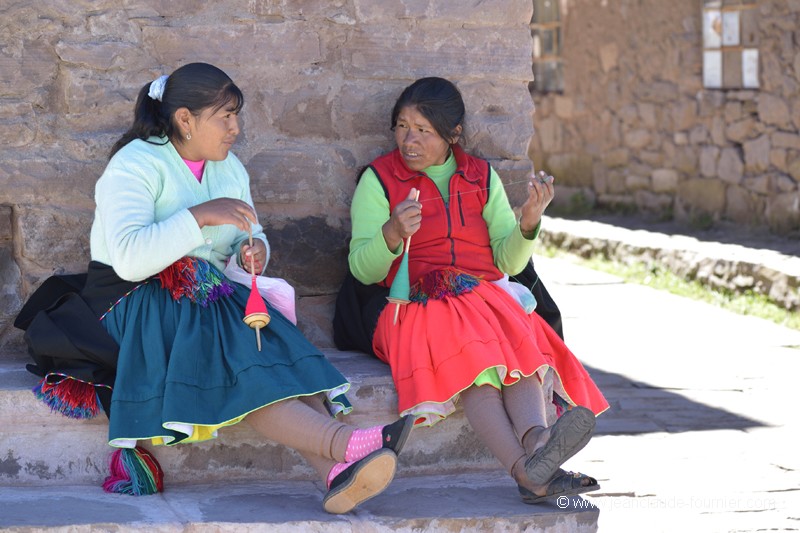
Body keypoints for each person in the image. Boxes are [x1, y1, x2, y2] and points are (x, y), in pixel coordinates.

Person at [13, 62, 413, 515]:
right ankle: (346, 443)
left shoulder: (229, 169)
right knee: (235, 356)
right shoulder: (135, 164)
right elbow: (128, 258)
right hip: (133, 299)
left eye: (235, 116)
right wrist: (201, 216)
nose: (235, 129)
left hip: (202, 294)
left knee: (268, 344)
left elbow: (249, 231)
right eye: (225, 117)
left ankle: (334, 474)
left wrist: (253, 249)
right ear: (185, 119)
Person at [332, 77, 609, 503]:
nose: (410, 139)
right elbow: (362, 270)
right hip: (412, 306)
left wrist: (529, 223)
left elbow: (507, 262)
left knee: (519, 346)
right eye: (402, 127)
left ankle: (538, 446)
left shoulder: (482, 176)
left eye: (423, 130)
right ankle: (528, 470)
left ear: (452, 135)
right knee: (477, 364)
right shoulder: (380, 180)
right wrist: (390, 232)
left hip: (481, 297)